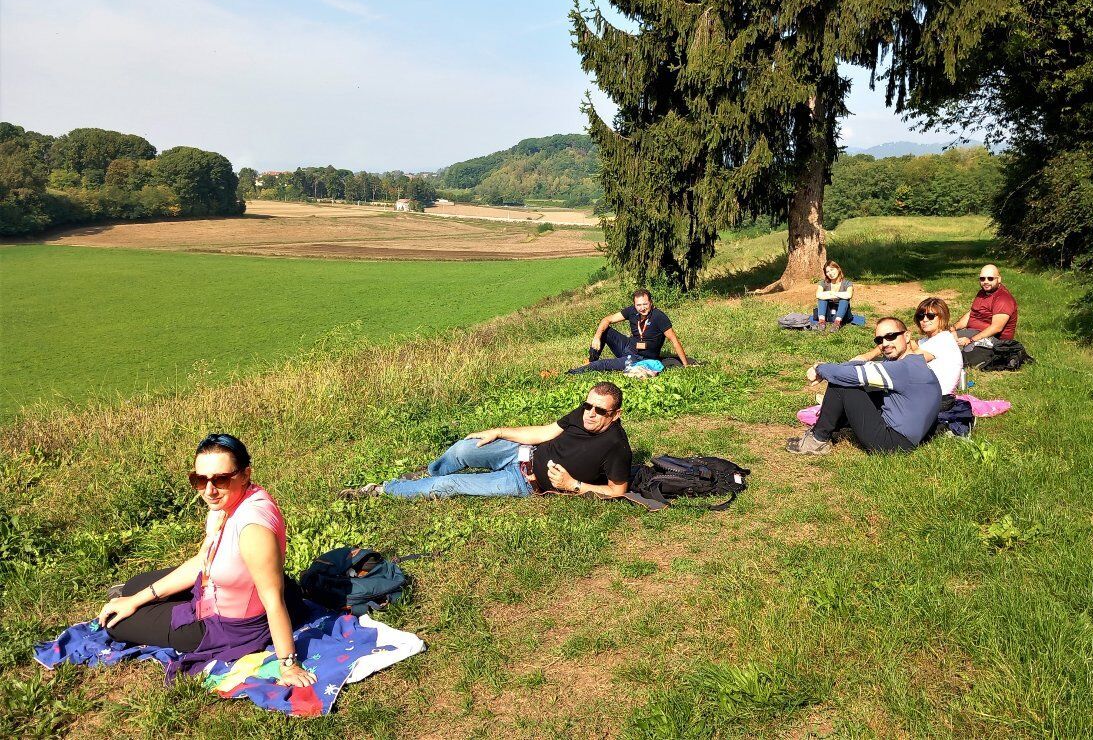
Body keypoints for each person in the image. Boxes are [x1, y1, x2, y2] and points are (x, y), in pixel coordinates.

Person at [97, 434, 316, 685]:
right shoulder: (233, 502)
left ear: (245, 474)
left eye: (221, 479)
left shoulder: (253, 530)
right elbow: (203, 562)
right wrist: (136, 599)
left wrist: (288, 666)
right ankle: (136, 599)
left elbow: (273, 600)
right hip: (215, 588)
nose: (209, 490)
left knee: (116, 626)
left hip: (226, 626)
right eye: (200, 480)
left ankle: (152, 609)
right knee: (135, 586)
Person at [340, 382, 632, 501]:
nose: (590, 414)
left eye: (599, 411)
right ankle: (428, 473)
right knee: (464, 447)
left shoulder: (615, 446)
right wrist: (500, 432)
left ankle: (380, 490)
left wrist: (574, 486)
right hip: (522, 452)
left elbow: (618, 491)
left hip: (524, 482)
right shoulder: (582, 415)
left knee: (449, 486)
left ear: (615, 414)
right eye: (587, 406)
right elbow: (543, 433)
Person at [787, 316, 941, 455]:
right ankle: (831, 427)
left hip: (893, 443)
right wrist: (833, 368)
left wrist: (819, 368)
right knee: (858, 382)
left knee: (842, 385)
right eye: (879, 340)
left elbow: (846, 375)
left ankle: (818, 440)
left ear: (907, 336)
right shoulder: (914, 364)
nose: (885, 343)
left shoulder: (903, 369)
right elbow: (861, 367)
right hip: (909, 437)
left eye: (891, 336)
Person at [844, 298, 963, 410]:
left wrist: (869, 366)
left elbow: (907, 363)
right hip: (927, 395)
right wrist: (868, 356)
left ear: (942, 317)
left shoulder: (943, 340)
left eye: (930, 316)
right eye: (921, 316)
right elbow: (897, 342)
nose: (924, 320)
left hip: (938, 401)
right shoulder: (927, 341)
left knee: (868, 394)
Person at [577, 289, 690, 371]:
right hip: (628, 346)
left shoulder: (659, 317)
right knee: (604, 330)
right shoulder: (631, 311)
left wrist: (686, 364)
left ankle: (577, 371)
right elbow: (607, 319)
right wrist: (597, 337)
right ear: (634, 305)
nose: (642, 308)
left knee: (602, 365)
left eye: (645, 304)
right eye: (639, 305)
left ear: (651, 302)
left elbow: (674, 340)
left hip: (641, 358)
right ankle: (592, 359)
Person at [954, 264, 1018, 349]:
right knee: (939, 338)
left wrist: (971, 340)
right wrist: (953, 328)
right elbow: (972, 314)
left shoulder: (1003, 299)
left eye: (990, 278)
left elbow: (996, 328)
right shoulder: (982, 293)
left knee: (949, 347)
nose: (986, 281)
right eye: (982, 278)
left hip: (994, 341)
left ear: (999, 279)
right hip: (973, 333)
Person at [814, 260, 854, 332]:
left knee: (844, 299)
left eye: (832, 270)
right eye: (827, 272)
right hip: (828, 313)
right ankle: (821, 322)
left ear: (838, 269)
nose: (830, 273)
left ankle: (837, 323)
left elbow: (849, 295)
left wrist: (833, 293)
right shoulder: (823, 283)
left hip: (843, 314)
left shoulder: (847, 283)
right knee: (822, 298)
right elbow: (818, 295)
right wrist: (829, 293)